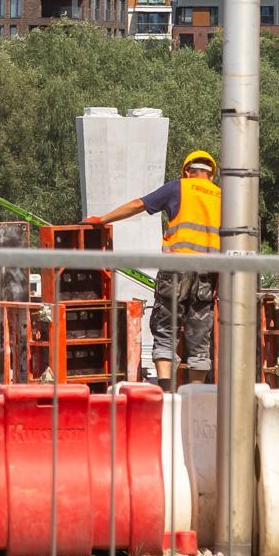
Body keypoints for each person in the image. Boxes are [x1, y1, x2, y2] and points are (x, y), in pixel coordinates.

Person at [90, 149, 221, 389]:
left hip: (176, 269)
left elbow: (139, 204)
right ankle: (195, 394)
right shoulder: (223, 197)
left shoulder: (178, 187)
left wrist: (103, 219)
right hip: (208, 273)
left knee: (165, 327)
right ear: (212, 175)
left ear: (187, 171)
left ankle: (166, 390)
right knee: (200, 334)